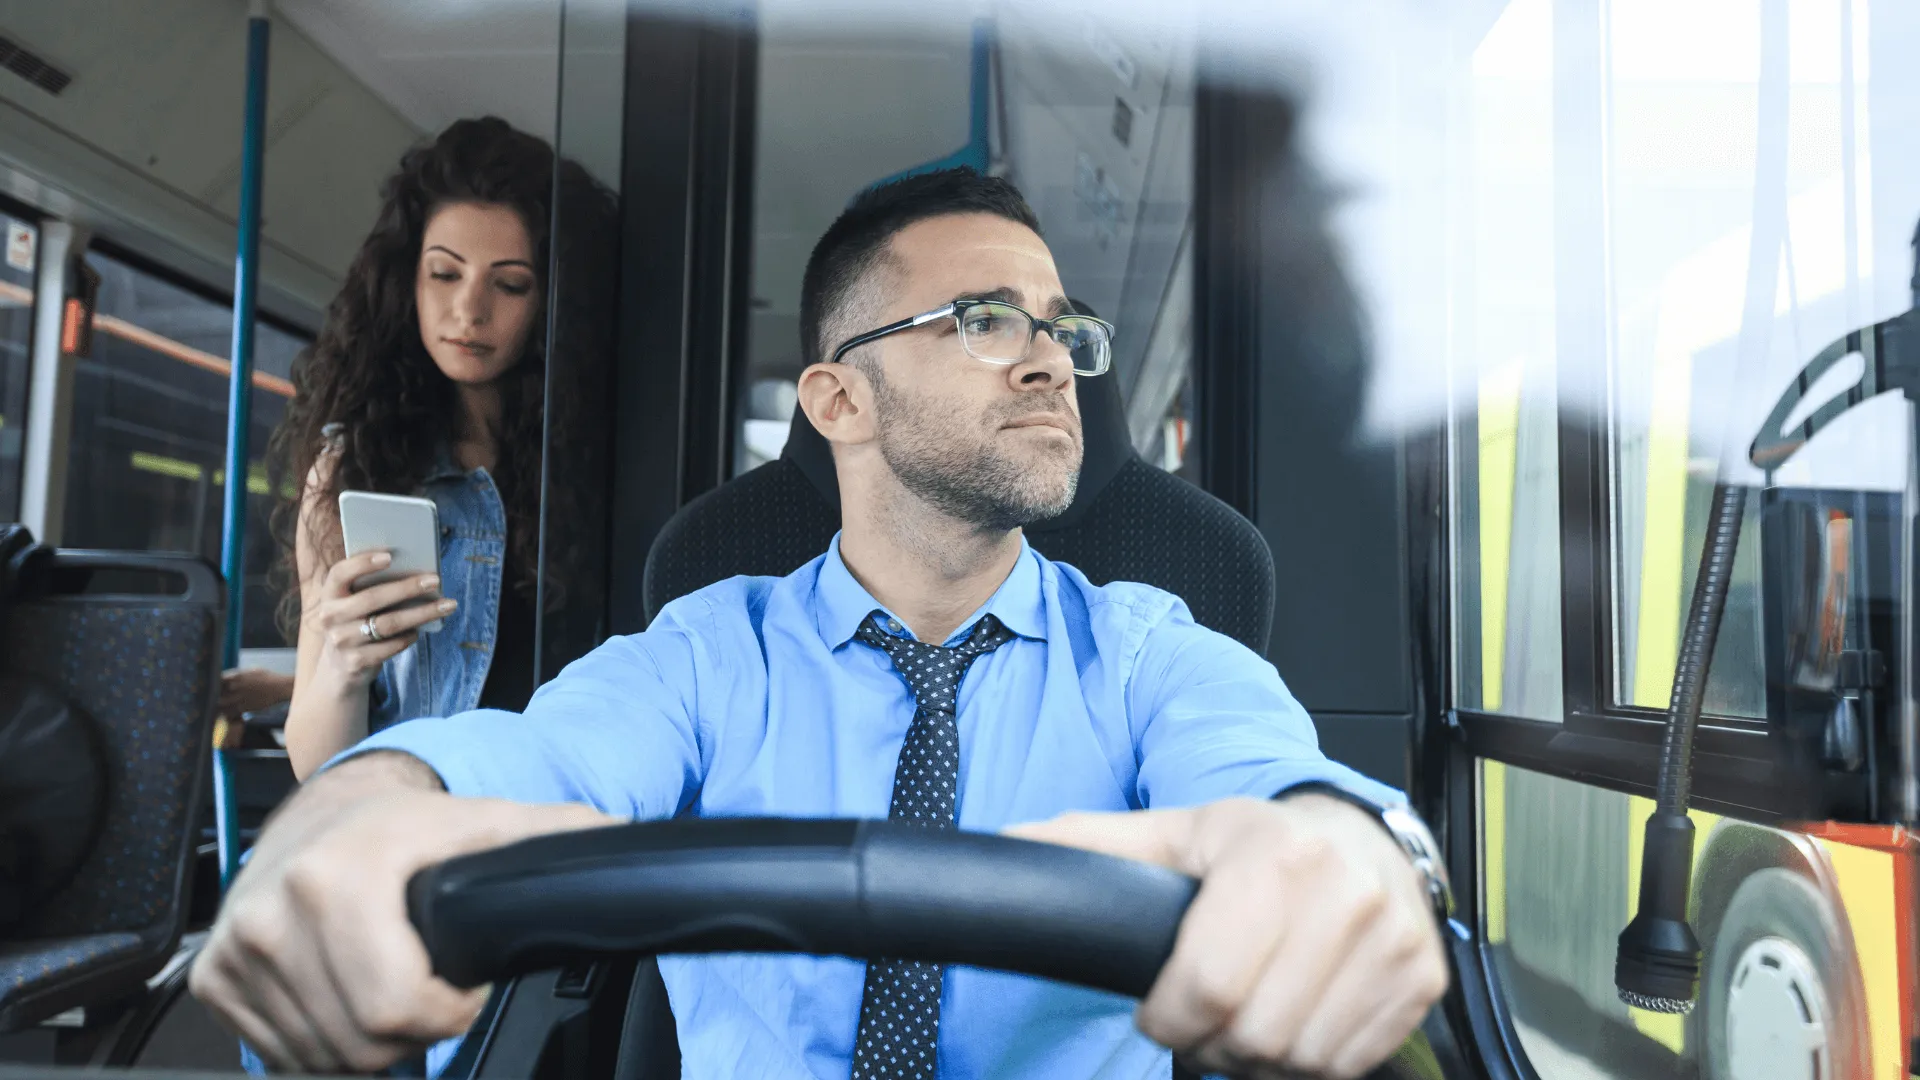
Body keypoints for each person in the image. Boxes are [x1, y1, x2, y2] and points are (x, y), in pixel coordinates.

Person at [192, 168, 1448, 1080]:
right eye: (983, 320)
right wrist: (352, 815)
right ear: (839, 399)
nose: (1051, 360)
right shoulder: (707, 650)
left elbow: (1278, 777)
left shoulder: (1148, 648)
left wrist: (1338, 848)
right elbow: (534, 756)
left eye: (1061, 327)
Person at [266, 116, 614, 781]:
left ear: (553, 304)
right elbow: (315, 764)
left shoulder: (611, 466)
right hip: (417, 825)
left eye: (508, 284)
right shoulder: (356, 466)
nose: (469, 311)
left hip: (567, 828)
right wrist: (342, 663)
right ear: (407, 283)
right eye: (444, 275)